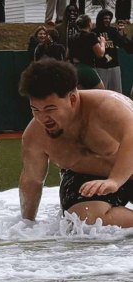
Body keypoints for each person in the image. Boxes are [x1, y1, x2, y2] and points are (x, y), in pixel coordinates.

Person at [19, 59, 133, 227]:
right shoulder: (35, 136)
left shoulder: (107, 106)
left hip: (128, 168)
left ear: (72, 99)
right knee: (85, 220)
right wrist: (27, 223)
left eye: (50, 109)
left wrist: (115, 180)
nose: (43, 118)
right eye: (35, 110)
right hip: (84, 180)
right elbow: (32, 180)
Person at [91, 9, 133, 93]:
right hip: (100, 67)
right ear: (100, 19)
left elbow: (122, 44)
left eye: (109, 18)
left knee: (117, 92)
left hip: (114, 66)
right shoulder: (94, 32)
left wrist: (127, 41)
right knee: (102, 93)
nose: (107, 20)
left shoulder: (113, 31)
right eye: (105, 18)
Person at [69, 15, 107, 90]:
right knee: (101, 92)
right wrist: (102, 43)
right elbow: (100, 54)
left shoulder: (72, 37)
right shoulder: (91, 36)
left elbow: (68, 54)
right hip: (87, 69)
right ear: (89, 24)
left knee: (81, 94)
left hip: (75, 69)